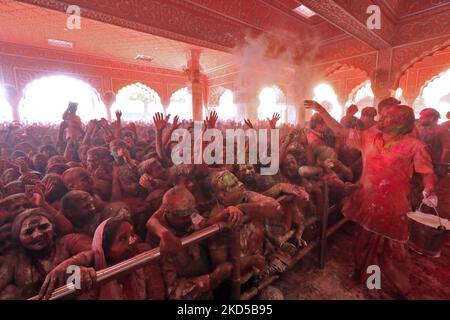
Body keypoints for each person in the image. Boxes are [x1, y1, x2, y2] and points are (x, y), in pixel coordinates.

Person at [304, 99, 437, 298]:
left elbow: (427, 173)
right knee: (363, 245)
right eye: (381, 116)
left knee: (392, 253)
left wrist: (430, 189)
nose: (380, 118)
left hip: (393, 208)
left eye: (387, 117)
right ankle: (366, 279)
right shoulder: (369, 137)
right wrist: (322, 110)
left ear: (401, 123)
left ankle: (402, 289)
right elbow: (341, 131)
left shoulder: (414, 146)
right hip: (367, 201)